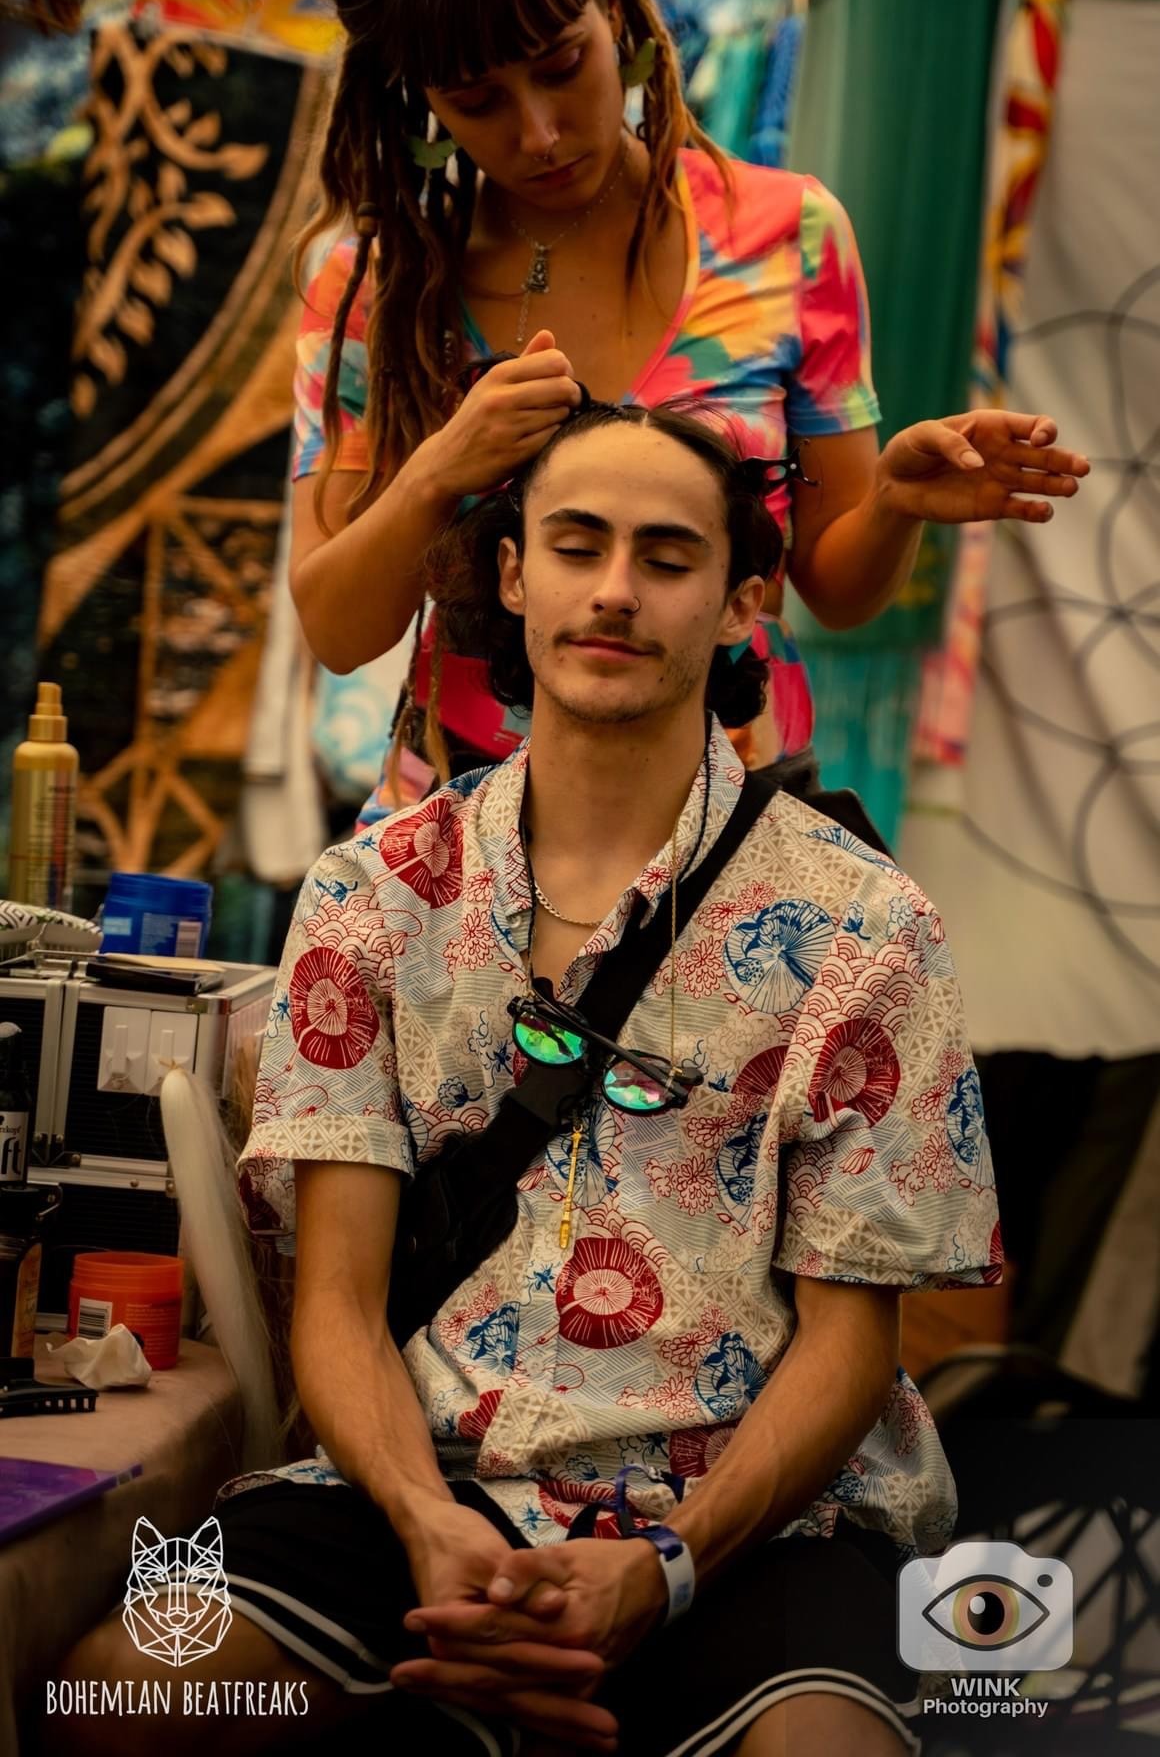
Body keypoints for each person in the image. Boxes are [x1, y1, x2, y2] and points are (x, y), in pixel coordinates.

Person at [51, 402, 1002, 1757]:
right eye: (576, 543)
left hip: (747, 1524)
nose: (615, 589)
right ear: (512, 578)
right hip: (410, 1488)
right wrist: (427, 1525)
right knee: (126, 1693)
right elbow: (335, 1299)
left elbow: (853, 1347)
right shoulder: (372, 898)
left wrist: (662, 1563)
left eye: (668, 557)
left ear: (742, 600)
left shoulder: (867, 932)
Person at [288, 0, 1089, 820]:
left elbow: (833, 588)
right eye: (478, 99)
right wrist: (442, 466)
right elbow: (332, 624)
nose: (536, 131)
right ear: (422, 109)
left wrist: (889, 504)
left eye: (559, 64)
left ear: (617, 13)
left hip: (727, 849)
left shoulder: (786, 234)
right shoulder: (373, 286)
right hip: (456, 853)